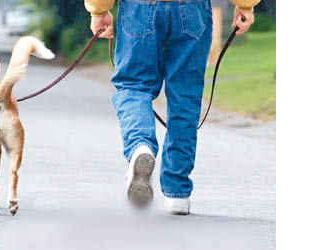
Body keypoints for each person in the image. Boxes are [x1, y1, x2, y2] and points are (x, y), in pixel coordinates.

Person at [84, 0, 260, 214]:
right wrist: (245, 5)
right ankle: (177, 193)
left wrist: (99, 9)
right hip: (191, 9)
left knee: (133, 85)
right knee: (185, 95)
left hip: (139, 8)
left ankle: (140, 146)